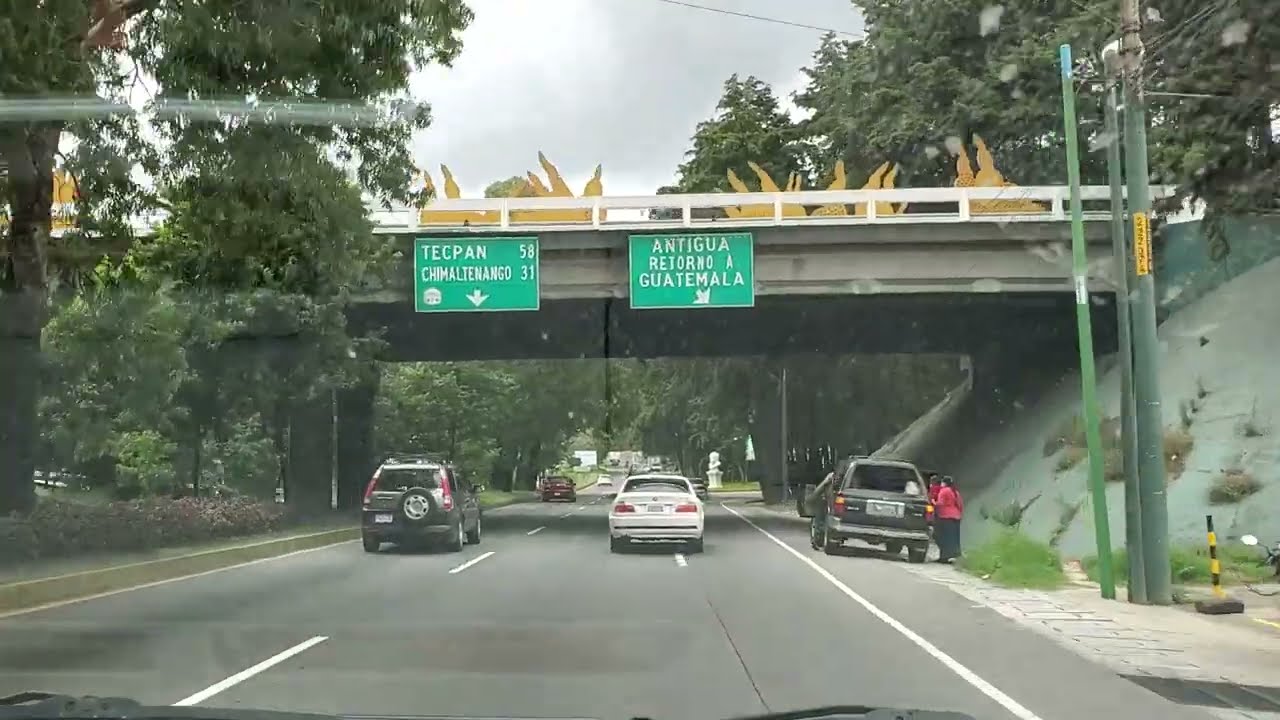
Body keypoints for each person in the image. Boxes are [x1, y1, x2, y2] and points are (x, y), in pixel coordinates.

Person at [934, 475, 964, 563]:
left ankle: (944, 557)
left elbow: (940, 503)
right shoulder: (955, 492)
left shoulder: (944, 491)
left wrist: (933, 503)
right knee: (954, 538)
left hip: (945, 517)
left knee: (943, 538)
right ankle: (954, 555)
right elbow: (960, 505)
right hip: (956, 517)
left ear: (944, 483)